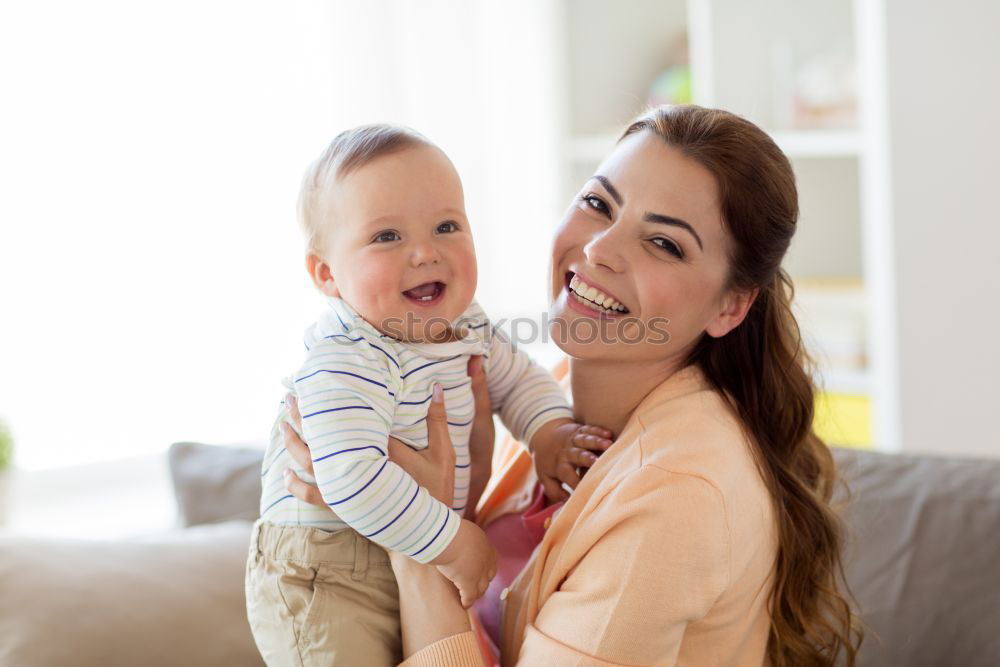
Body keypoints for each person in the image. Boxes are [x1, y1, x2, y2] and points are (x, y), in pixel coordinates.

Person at [281, 106, 863, 666]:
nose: (598, 249)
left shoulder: (675, 493)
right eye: (596, 203)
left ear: (731, 307)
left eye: (664, 243)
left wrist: (417, 546)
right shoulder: (554, 396)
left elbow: (444, 553)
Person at [245, 124, 614, 666]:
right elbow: (349, 477)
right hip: (326, 569)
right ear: (327, 274)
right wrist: (452, 542)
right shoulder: (347, 357)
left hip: (409, 541)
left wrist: (550, 431)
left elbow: (518, 380)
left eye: (446, 226)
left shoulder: (466, 326)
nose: (424, 252)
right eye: (387, 236)